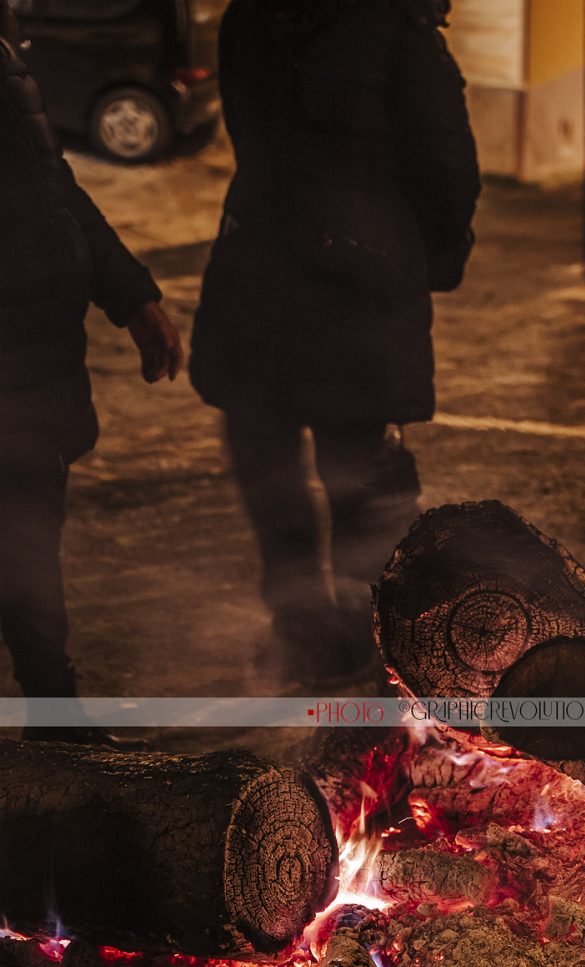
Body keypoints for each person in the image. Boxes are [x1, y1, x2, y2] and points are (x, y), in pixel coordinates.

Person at [190, 0, 480, 685]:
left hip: (262, 270)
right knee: (356, 475)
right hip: (352, 282)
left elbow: (251, 137)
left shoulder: (248, 19)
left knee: (276, 470)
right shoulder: (391, 26)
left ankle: (308, 633)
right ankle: (360, 641)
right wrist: (423, 256)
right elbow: (446, 163)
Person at [0, 1, 183, 740]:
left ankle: (54, 712)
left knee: (27, 546)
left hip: (35, 360)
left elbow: (52, 190)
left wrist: (131, 295)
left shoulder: (5, 61)